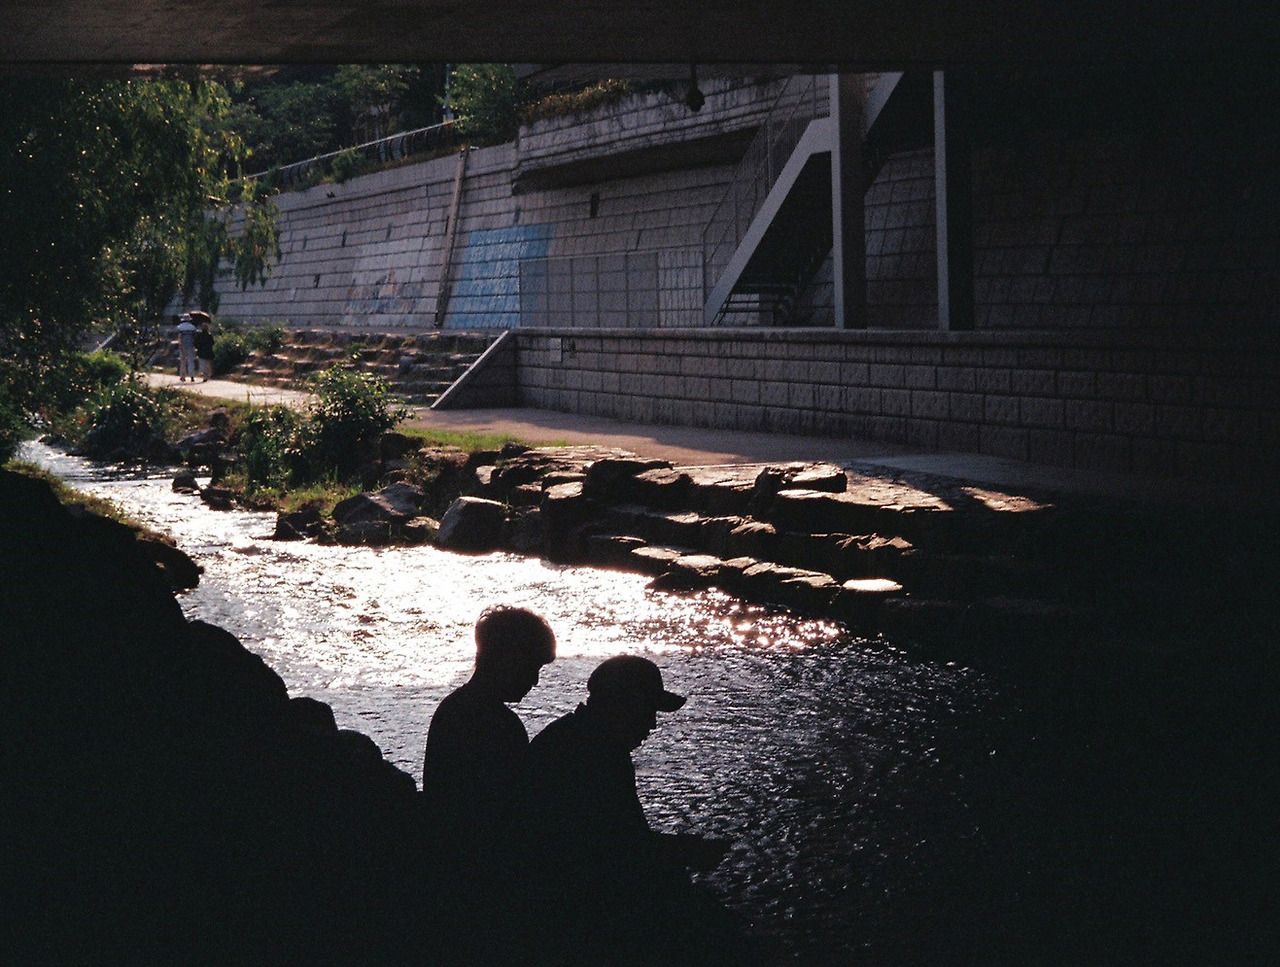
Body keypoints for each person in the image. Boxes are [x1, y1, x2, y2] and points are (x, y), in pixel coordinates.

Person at [523, 655, 745, 966]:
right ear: (621, 706)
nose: (652, 724)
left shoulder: (571, 738)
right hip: (567, 906)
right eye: (647, 711)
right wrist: (685, 851)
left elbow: (616, 840)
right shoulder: (599, 758)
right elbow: (614, 851)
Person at [420, 606, 556, 963]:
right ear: (507, 659)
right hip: (483, 884)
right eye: (531, 668)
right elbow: (509, 814)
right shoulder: (497, 725)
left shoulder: (454, 710)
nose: (534, 682)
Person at [192, 312, 214, 381]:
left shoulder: (199, 335)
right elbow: (212, 342)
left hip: (201, 351)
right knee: (208, 363)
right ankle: (209, 374)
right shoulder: (210, 335)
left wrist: (197, 348)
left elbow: (196, 343)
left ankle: (205, 376)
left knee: (202, 364)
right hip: (209, 351)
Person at [175, 313, 197, 382]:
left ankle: (182, 376)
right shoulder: (193, 327)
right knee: (191, 361)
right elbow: (194, 337)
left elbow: (179, 337)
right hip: (191, 345)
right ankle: (192, 376)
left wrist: (180, 344)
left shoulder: (179, 327)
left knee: (183, 361)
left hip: (182, 345)